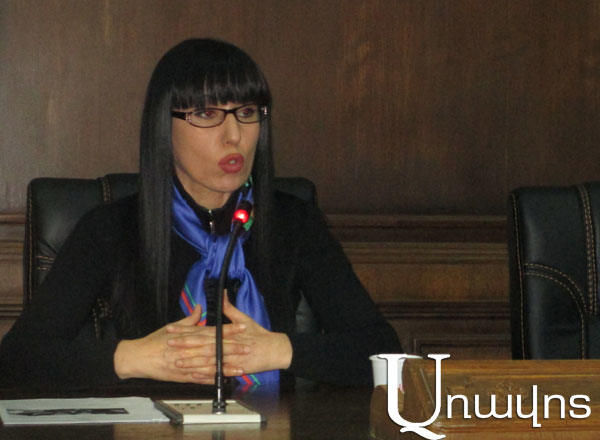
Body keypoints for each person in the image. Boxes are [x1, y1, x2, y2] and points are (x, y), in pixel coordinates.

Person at [0, 38, 401, 389]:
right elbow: (18, 359)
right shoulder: (111, 228)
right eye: (207, 114)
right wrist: (133, 358)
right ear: (164, 127)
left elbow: (382, 352)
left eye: (247, 112)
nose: (234, 136)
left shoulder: (294, 221)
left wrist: (278, 350)